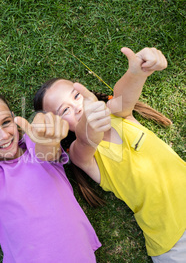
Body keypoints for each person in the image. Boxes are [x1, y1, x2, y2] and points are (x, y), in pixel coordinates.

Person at [34, 47, 186, 262]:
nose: (77, 107)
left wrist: (136, 73)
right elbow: (88, 139)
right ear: (61, 127)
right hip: (173, 239)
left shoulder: (118, 114)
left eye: (76, 96)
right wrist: (90, 121)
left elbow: (124, 97)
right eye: (64, 110)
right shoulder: (83, 155)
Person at [0, 90, 101, 262]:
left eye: (6, 122)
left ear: (14, 118)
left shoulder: (34, 143)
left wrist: (48, 140)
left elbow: (47, 151)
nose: (4, 135)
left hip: (77, 254)